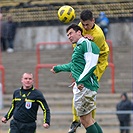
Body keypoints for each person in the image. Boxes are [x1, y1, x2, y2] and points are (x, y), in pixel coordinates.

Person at [51, 23, 103, 133]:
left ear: (79, 32)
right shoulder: (79, 47)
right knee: (89, 119)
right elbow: (73, 65)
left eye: (71, 33)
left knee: (85, 121)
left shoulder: (86, 43)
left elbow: (91, 64)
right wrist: (58, 68)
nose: (69, 36)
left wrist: (80, 81)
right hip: (84, 85)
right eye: (67, 35)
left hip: (85, 86)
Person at [68, 9, 109, 133]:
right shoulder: (80, 28)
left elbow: (92, 57)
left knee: (88, 91)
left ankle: (88, 121)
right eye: (83, 25)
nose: (85, 27)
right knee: (78, 89)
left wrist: (88, 42)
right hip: (86, 59)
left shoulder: (98, 35)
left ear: (93, 21)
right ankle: (77, 121)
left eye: (88, 25)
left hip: (98, 61)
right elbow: (78, 49)